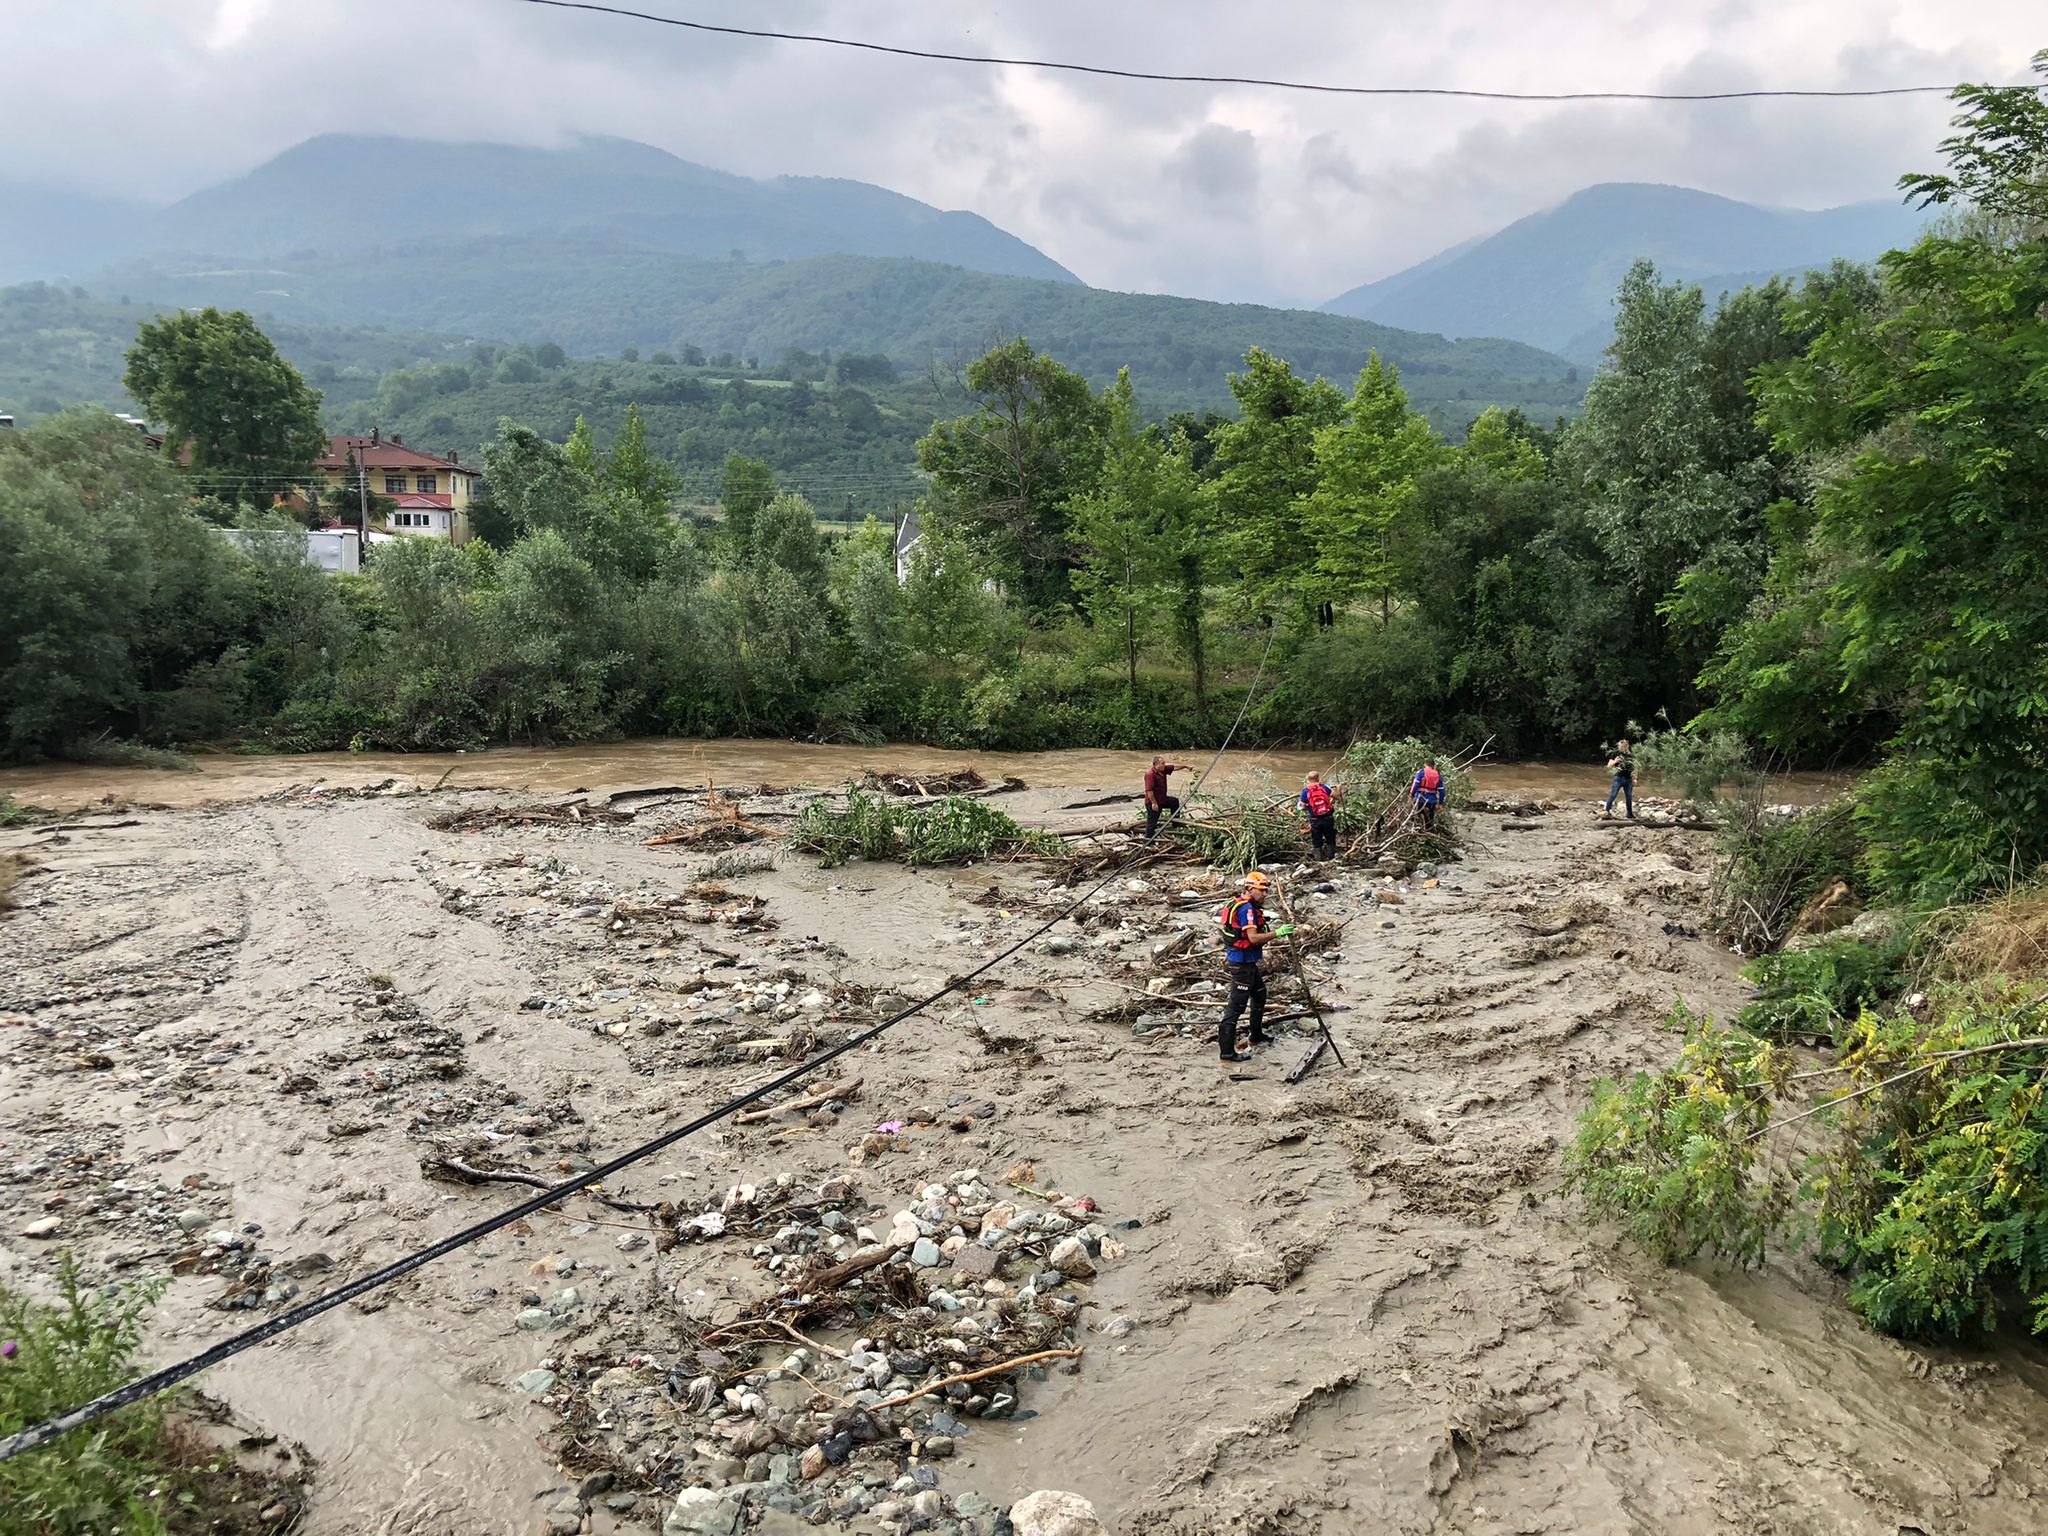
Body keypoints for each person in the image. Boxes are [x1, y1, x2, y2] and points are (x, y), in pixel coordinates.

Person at [1218, 871, 1292, 1062]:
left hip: (1248, 961)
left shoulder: (1243, 904)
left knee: (1260, 994)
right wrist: (1278, 933)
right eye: (1261, 891)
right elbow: (1253, 938)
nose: (1265, 894)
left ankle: (1256, 1035)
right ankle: (1227, 1052)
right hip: (1241, 964)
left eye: (1267, 890)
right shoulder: (1246, 910)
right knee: (1236, 1007)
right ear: (1250, 888)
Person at [1143, 755, 1188, 838]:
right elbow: (1149, 790)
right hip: (1153, 802)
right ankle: (1148, 840)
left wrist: (1185, 766)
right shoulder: (1150, 775)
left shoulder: (1163, 770)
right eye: (1163, 763)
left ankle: (1176, 824)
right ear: (1156, 765)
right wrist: (1153, 803)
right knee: (1152, 823)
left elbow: (1174, 768)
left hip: (1162, 800)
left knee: (1174, 802)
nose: (1164, 765)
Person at [1299, 771, 1339, 860]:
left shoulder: (1306, 791)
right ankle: (1331, 857)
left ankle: (1319, 859)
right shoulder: (1323, 787)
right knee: (1330, 836)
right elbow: (1335, 795)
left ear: (1308, 779)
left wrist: (1308, 807)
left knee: (1317, 839)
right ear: (1318, 778)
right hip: (1328, 817)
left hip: (1315, 819)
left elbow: (1302, 805)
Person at [1409, 758, 1445, 832]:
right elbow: (1442, 791)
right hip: (1432, 800)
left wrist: (1411, 795)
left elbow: (1415, 785)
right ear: (1434, 766)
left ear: (1425, 764)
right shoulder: (1438, 775)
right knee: (1429, 820)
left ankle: (1416, 832)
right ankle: (1429, 832)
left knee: (1415, 817)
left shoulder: (1421, 772)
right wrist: (1440, 803)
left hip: (1420, 798)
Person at [1604, 738, 1635, 819]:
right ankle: (1607, 810)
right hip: (1618, 778)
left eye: (1622, 747)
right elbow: (1609, 765)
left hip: (1628, 779)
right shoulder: (1616, 754)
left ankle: (1629, 813)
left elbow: (1635, 768)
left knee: (1629, 796)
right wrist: (1615, 762)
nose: (1621, 748)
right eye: (1620, 747)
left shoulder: (1631, 756)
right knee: (1613, 794)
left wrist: (1635, 778)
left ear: (1626, 746)